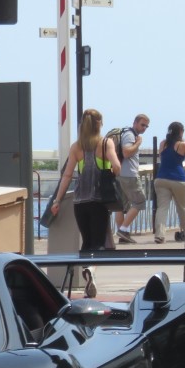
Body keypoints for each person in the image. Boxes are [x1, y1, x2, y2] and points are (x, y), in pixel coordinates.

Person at [48, 108, 121, 296]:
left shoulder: (76, 147)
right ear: (99, 124)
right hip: (99, 200)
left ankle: (87, 271)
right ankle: (91, 270)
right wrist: (110, 171)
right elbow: (117, 167)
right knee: (98, 242)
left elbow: (67, 175)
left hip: (80, 202)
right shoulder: (106, 144)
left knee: (87, 240)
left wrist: (57, 200)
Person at [151, 121, 185, 244]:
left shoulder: (163, 144)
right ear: (181, 132)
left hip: (161, 179)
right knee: (182, 207)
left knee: (162, 208)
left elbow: (163, 159)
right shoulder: (182, 145)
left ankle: (160, 235)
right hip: (178, 179)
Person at [113, 114, 150, 244]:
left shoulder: (126, 133)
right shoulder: (130, 135)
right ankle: (123, 230)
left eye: (146, 126)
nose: (144, 128)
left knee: (121, 206)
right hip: (129, 175)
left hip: (120, 174)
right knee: (140, 202)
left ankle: (123, 234)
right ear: (135, 123)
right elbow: (127, 152)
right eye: (142, 124)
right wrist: (138, 143)